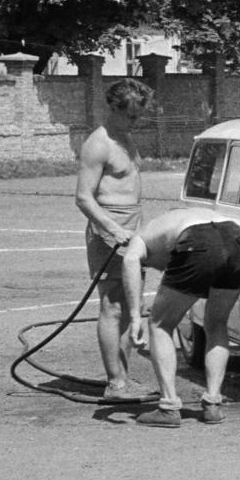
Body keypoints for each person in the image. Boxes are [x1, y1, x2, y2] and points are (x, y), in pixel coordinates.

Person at [119, 208, 240, 426]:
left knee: (159, 324)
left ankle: (168, 407)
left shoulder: (140, 238)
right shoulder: (171, 224)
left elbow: (130, 261)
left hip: (197, 243)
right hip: (238, 239)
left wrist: (135, 317)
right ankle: (213, 404)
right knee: (217, 323)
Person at [74, 78, 155, 405]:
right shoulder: (99, 143)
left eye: (139, 116)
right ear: (113, 109)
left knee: (129, 306)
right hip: (110, 234)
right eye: (131, 116)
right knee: (113, 306)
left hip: (131, 232)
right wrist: (112, 229)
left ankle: (122, 378)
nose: (135, 122)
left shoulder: (125, 138)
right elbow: (83, 198)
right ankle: (115, 383)